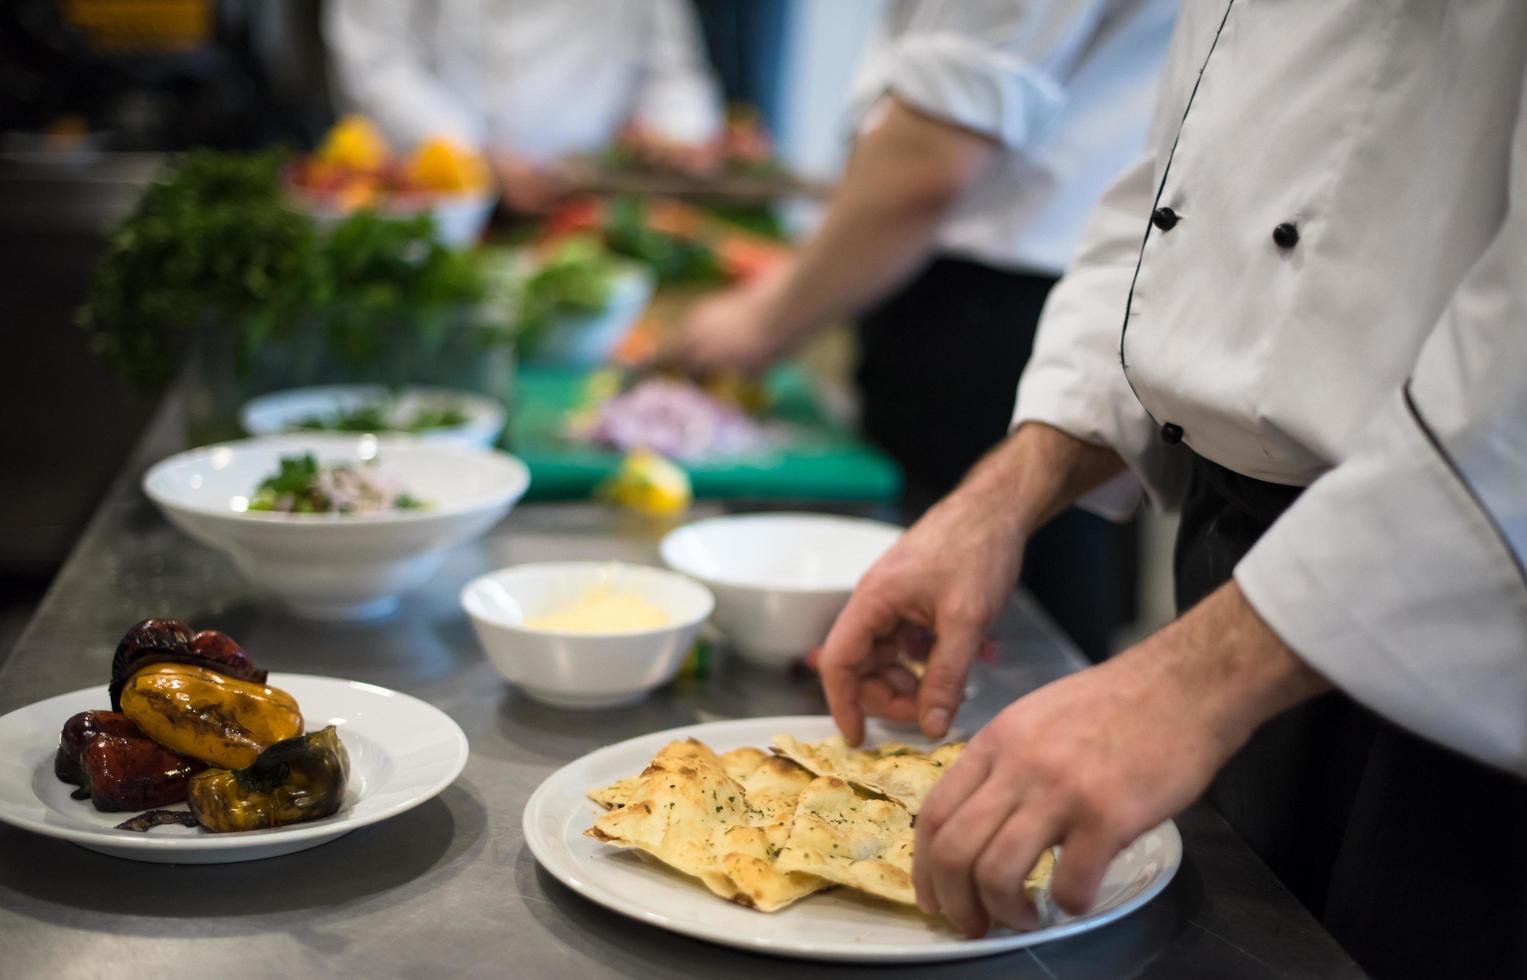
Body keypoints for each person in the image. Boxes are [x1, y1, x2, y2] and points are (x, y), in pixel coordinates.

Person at [816, 4, 1527, 978]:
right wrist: (1004, 493)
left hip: (1458, 639)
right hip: (1234, 566)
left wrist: (1189, 678)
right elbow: (1167, 197)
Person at [681, 0, 1177, 659]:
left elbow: (928, 159)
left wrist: (763, 322)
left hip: (996, 323)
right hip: (1012, 309)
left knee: (1002, 656)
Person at [323, 0, 722, 212]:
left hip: (597, 205)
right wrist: (478, 158)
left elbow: (672, 72)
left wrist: (675, 141)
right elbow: (374, 60)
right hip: (440, 204)